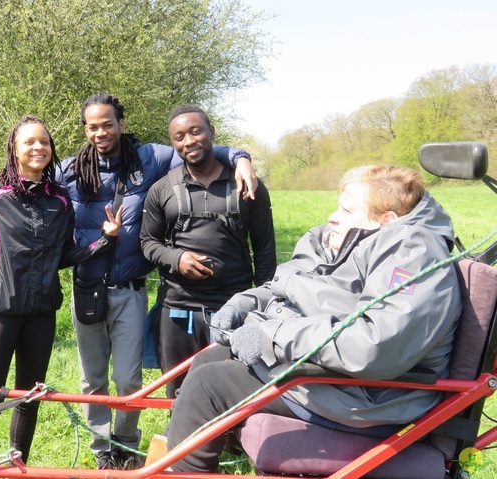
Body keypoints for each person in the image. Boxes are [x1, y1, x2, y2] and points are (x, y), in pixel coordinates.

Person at [164, 164, 462, 473]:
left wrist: (271, 338)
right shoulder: (357, 239)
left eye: (346, 210)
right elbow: (290, 284)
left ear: (385, 220)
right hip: (335, 378)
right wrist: (241, 305)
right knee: (208, 360)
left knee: (210, 384)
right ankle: (187, 458)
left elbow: (374, 345)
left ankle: (182, 470)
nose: (333, 217)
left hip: (372, 397)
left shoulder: (413, 254)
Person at [59, 93, 258, 470]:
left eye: (107, 124)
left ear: (120, 123)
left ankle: (126, 446)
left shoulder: (151, 157)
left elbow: (199, 146)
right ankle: (102, 449)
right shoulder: (70, 170)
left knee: (129, 380)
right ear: (84, 129)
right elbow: (31, 177)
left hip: (130, 288)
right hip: (86, 288)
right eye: (92, 126)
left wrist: (242, 157)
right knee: (92, 380)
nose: (100, 132)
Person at [0, 115, 122, 464]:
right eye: (29, 141)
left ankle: (17, 466)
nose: (38, 147)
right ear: (14, 148)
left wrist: (105, 240)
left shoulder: (59, 201)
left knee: (29, 398)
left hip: (41, 314)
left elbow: (62, 256)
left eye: (44, 141)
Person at [140, 104, 277, 398]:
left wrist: (264, 303)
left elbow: (265, 248)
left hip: (234, 309)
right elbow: (148, 243)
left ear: (211, 132)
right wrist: (176, 258)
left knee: (234, 393)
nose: (188, 141)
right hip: (177, 310)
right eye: (179, 137)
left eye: (195, 131)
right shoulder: (162, 189)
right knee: (178, 394)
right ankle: (184, 443)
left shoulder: (247, 184)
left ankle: (232, 444)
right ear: (174, 144)